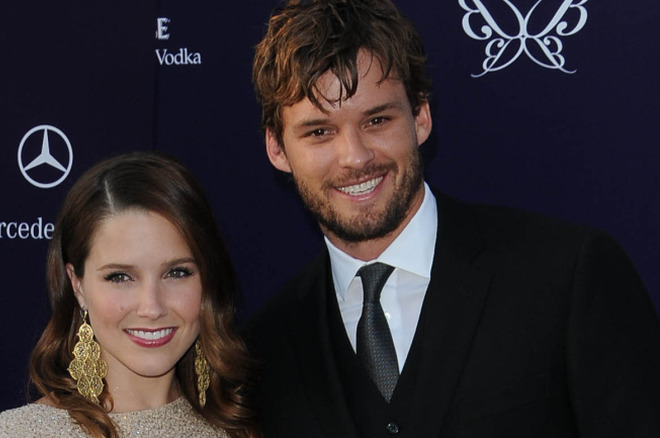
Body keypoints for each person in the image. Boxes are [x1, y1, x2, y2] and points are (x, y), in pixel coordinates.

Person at [244, 0, 660, 437]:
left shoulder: (568, 277)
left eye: (377, 120)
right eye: (319, 132)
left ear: (420, 118)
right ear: (277, 149)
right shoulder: (264, 348)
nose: (355, 157)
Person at [0, 151, 260, 438]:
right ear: (77, 285)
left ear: (208, 279)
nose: (151, 307)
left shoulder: (244, 427)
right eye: (120, 277)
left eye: (176, 273)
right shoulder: (17, 434)